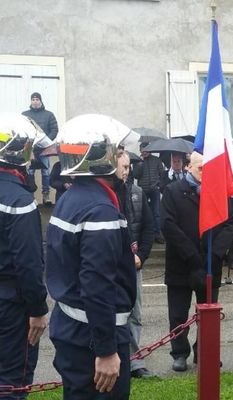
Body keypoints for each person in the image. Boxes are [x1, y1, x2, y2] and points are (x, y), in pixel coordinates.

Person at [46, 114, 137, 398]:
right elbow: (97, 285)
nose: (122, 156)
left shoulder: (70, 199)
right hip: (92, 338)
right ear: (101, 157)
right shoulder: (98, 209)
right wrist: (107, 350)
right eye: (118, 151)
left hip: (73, 331)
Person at [160, 151, 233, 372]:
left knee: (208, 313)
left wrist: (214, 254)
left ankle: (205, 351)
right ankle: (180, 352)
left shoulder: (219, 191)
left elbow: (231, 224)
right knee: (178, 314)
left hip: (210, 264)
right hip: (181, 264)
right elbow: (168, 225)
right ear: (188, 167)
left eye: (209, 168)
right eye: (201, 168)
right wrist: (192, 255)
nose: (205, 172)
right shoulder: (173, 191)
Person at [0, 113, 49, 398]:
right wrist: (38, 310)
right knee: (11, 382)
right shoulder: (19, 201)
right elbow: (28, 265)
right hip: (11, 306)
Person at [115, 151, 155, 379]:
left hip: (134, 265)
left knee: (135, 314)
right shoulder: (108, 194)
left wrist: (141, 255)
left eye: (128, 167)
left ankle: (134, 361)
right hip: (113, 265)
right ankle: (118, 358)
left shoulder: (138, 193)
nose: (125, 171)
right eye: (122, 166)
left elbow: (148, 228)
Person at [22, 92, 59, 205]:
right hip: (30, 149)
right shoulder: (24, 115)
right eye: (33, 99)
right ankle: (31, 196)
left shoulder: (49, 115)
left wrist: (46, 141)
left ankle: (46, 196)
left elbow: (54, 129)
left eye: (37, 99)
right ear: (31, 101)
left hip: (44, 149)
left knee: (46, 173)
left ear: (41, 101)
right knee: (30, 172)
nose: (35, 101)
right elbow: (22, 129)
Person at [134, 143, 166, 243]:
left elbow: (162, 174)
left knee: (156, 212)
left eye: (146, 150)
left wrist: (158, 185)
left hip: (154, 189)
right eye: (143, 150)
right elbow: (136, 175)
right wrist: (140, 164)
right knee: (143, 213)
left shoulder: (156, 160)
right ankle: (145, 235)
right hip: (142, 190)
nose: (145, 152)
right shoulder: (137, 161)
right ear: (140, 151)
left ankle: (157, 234)